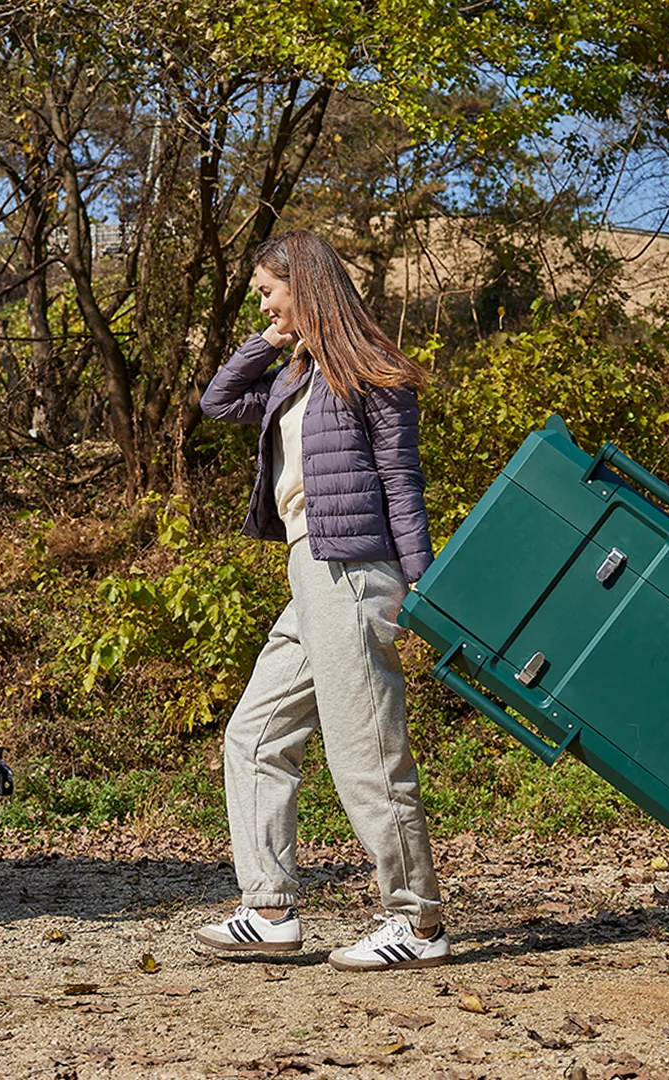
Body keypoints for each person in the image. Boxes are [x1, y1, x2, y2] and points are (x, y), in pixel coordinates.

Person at [192, 229, 448, 971]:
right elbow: (217, 402)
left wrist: (421, 581)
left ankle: (417, 922)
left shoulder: (373, 372)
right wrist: (268, 342)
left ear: (304, 284)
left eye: (269, 292)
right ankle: (270, 908)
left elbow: (402, 482)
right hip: (309, 571)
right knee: (254, 734)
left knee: (366, 751)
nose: (262, 305)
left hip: (356, 571)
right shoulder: (294, 374)